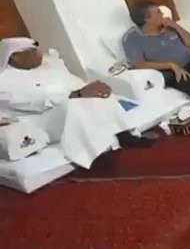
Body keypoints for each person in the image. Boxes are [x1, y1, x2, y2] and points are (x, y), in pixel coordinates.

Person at [0, 37, 148, 166]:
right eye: (32, 51)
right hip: (39, 120)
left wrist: (90, 89)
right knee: (74, 105)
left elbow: (74, 84)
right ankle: (96, 153)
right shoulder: (5, 79)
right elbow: (32, 102)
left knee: (97, 96)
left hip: (65, 104)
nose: (39, 54)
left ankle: (124, 134)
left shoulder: (47, 67)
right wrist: (77, 94)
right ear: (15, 57)